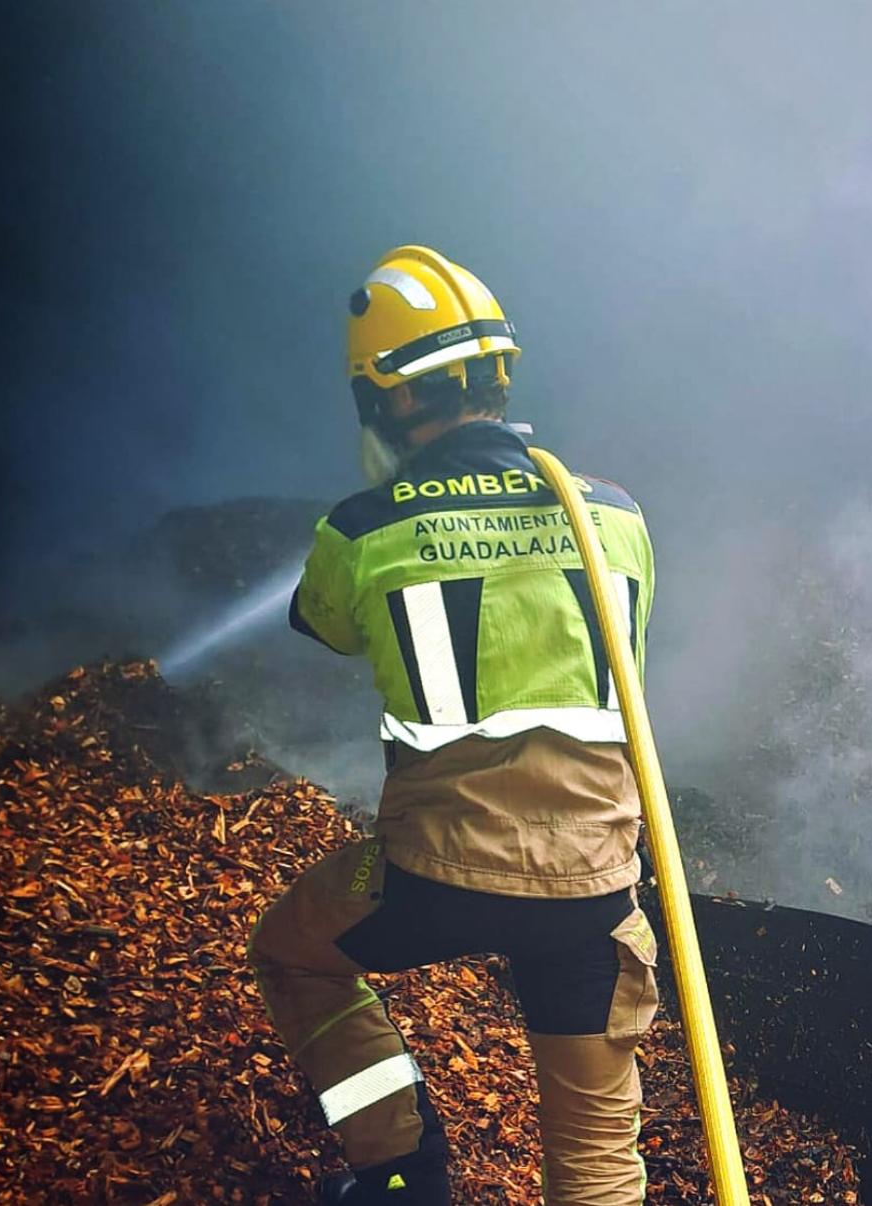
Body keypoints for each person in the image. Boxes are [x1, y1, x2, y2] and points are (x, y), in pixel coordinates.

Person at [249, 245, 658, 1205]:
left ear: (382, 401)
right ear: (496, 375)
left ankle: (401, 1173)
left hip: (430, 874)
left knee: (291, 950)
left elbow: (325, 624)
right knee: (597, 1156)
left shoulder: (363, 528)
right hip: (595, 882)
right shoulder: (619, 517)